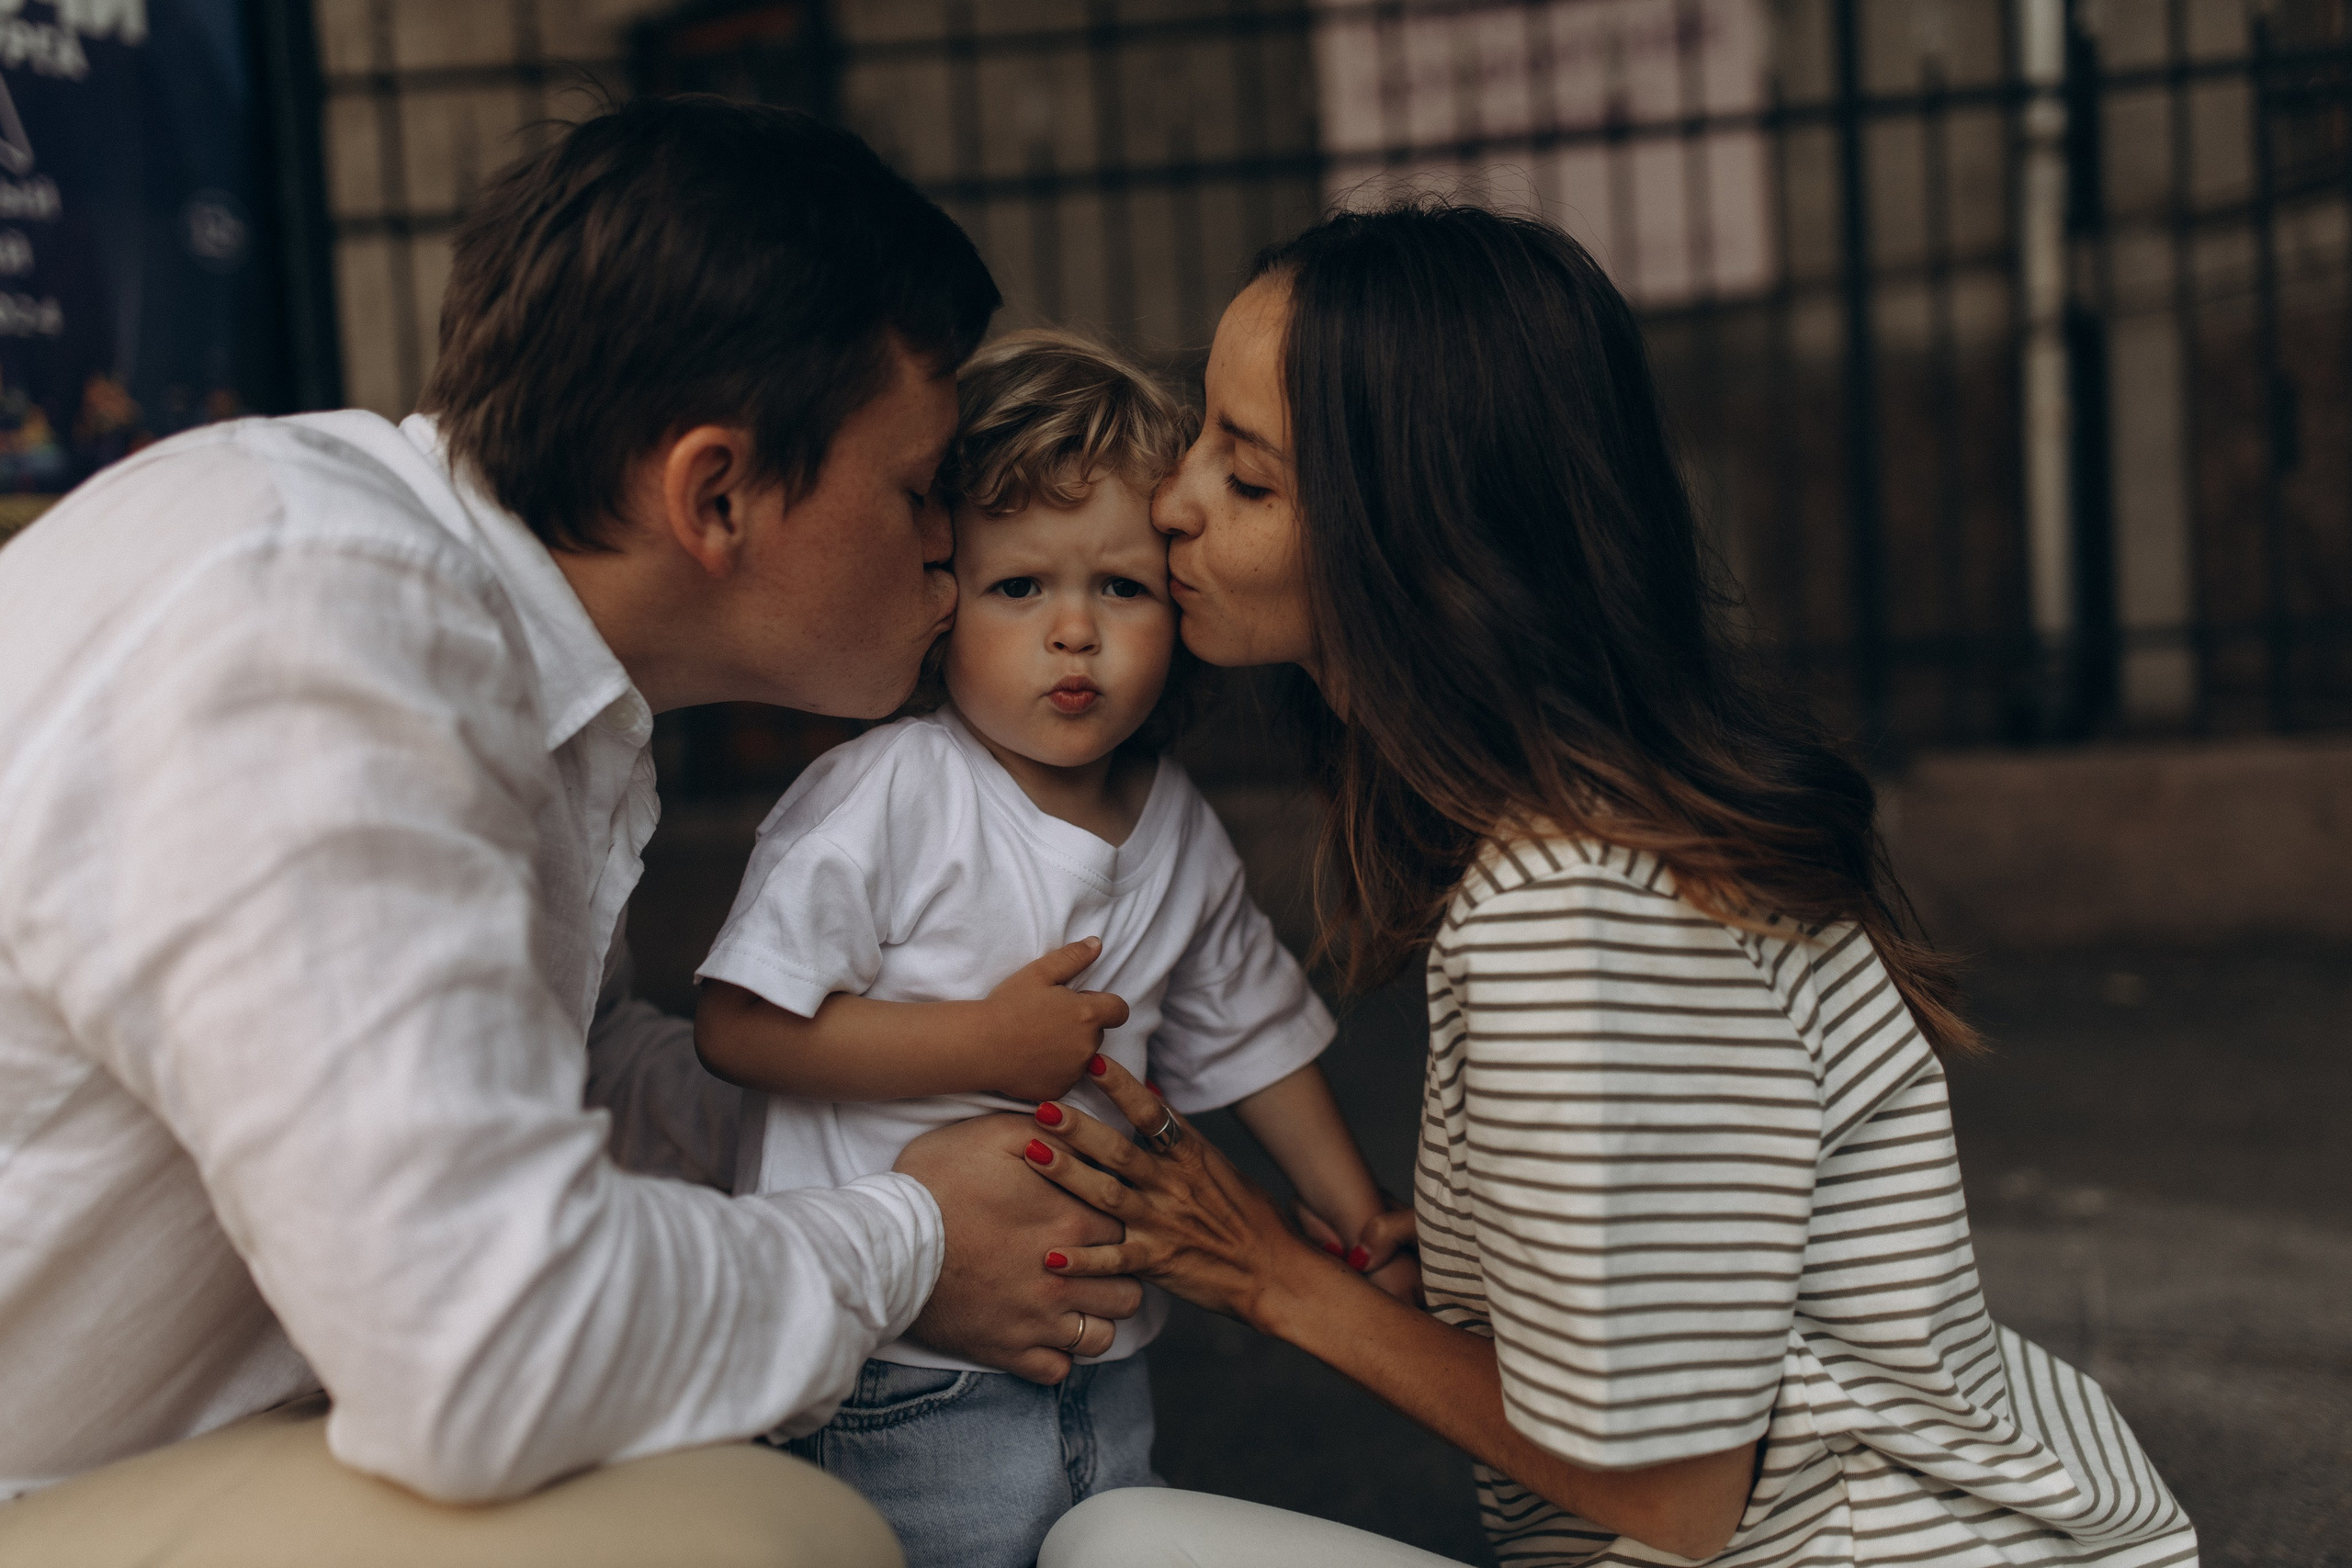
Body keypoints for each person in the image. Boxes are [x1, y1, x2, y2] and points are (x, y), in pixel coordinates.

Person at [0, 100, 1144, 1567]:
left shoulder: (458, 610)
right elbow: (485, 1345)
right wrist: (904, 1244)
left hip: (141, 1438)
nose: (951, 543)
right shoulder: (317, 638)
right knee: (760, 1534)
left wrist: (889, 1104)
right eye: (919, 487)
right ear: (715, 494)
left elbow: (547, 1075)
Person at [1012, 206, 2199, 1567]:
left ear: (1422, 547)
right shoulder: (1592, 841)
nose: (1174, 503)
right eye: (1202, 441)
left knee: (1117, 1553)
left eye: (1250, 476)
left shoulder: (1568, 915)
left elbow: (1675, 1496)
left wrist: (1268, 1277)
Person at [692, 330, 1411, 1568]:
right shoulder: (890, 795)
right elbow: (741, 1025)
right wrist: (983, 1044)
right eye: (1020, 588)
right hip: (901, 1379)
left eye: (1119, 589)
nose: (1072, 633)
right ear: (941, 596)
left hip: (1100, 1358)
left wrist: (1354, 1221)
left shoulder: (1176, 818)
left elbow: (1251, 1032)